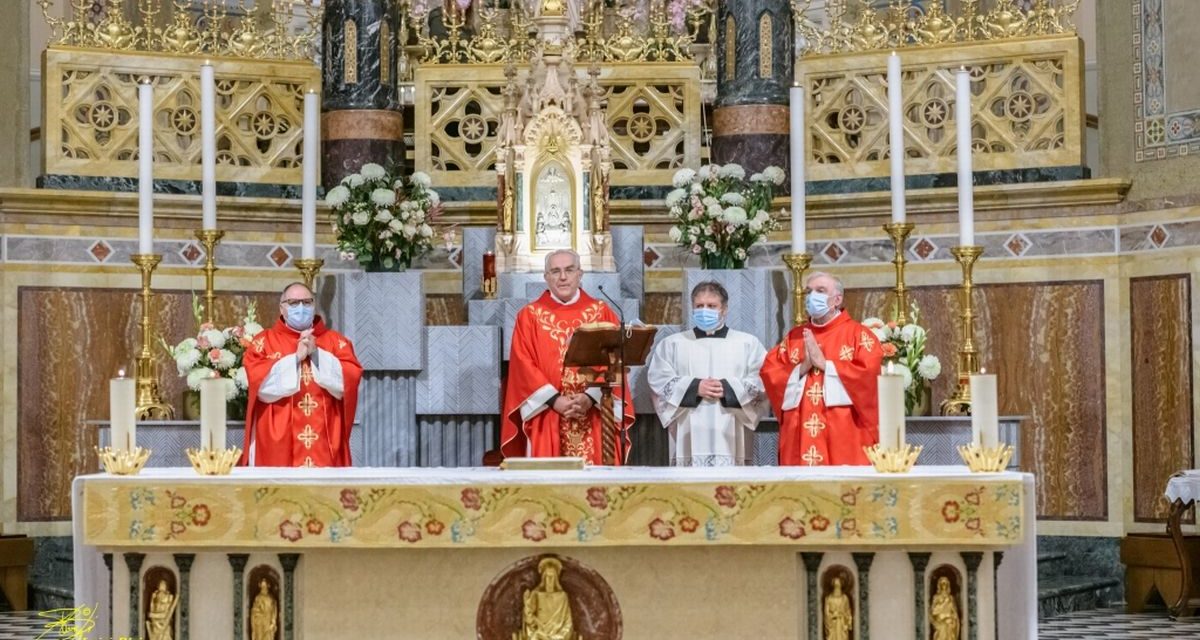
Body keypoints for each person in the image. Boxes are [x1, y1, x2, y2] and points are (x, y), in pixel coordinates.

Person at [502, 249, 634, 464]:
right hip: (548, 413)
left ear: (579, 274)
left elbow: (614, 362)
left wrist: (589, 398)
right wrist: (555, 401)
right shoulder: (530, 315)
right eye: (555, 271)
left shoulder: (600, 312)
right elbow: (523, 365)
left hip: (594, 412)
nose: (562, 277)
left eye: (569, 270)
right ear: (546, 277)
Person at [760, 271, 882, 466]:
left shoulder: (859, 336)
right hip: (799, 433)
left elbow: (869, 377)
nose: (812, 296)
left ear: (837, 299)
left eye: (820, 290)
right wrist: (802, 368)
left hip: (843, 434)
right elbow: (770, 372)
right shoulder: (794, 337)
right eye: (809, 291)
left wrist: (826, 365)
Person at [241, 282, 363, 467]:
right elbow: (259, 387)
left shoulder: (336, 341)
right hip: (278, 442)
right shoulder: (264, 342)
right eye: (293, 302)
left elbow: (349, 380)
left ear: (314, 306)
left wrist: (317, 354)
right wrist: (296, 359)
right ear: (282, 308)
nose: (301, 308)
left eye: (307, 302)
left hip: (325, 436)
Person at [647, 281, 768, 466]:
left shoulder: (748, 343)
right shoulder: (672, 344)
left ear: (724, 309)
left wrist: (728, 389)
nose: (705, 311)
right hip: (688, 427)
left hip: (731, 426)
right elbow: (658, 379)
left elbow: (763, 378)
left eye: (712, 306)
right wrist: (695, 387)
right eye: (699, 306)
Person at [515, 557, 579, 640]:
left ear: (556, 578)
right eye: (547, 576)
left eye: (552, 577)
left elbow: (568, 623)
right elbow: (529, 621)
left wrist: (558, 636)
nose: (549, 580)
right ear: (543, 577)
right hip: (539, 634)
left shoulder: (563, 596)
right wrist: (527, 606)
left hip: (559, 636)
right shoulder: (536, 594)